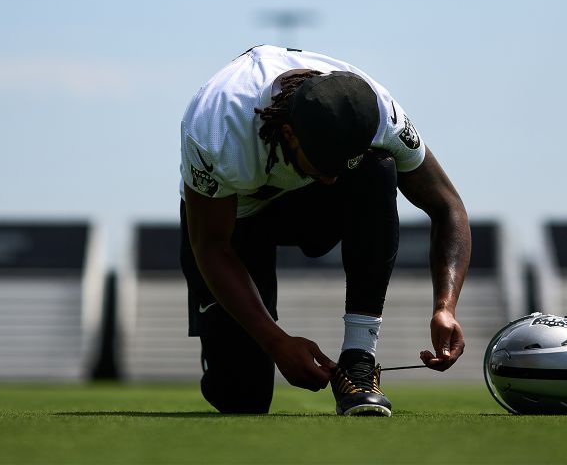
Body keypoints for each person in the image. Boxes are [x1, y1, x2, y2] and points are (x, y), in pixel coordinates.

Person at [179, 45, 471, 416]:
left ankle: (359, 358)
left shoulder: (381, 113)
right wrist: (276, 341)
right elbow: (211, 244)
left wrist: (445, 307)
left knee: (378, 169)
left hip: (308, 209)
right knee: (241, 398)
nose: (333, 177)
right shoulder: (217, 127)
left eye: (340, 165)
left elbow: (449, 207)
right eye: (324, 165)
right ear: (289, 133)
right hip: (232, 222)